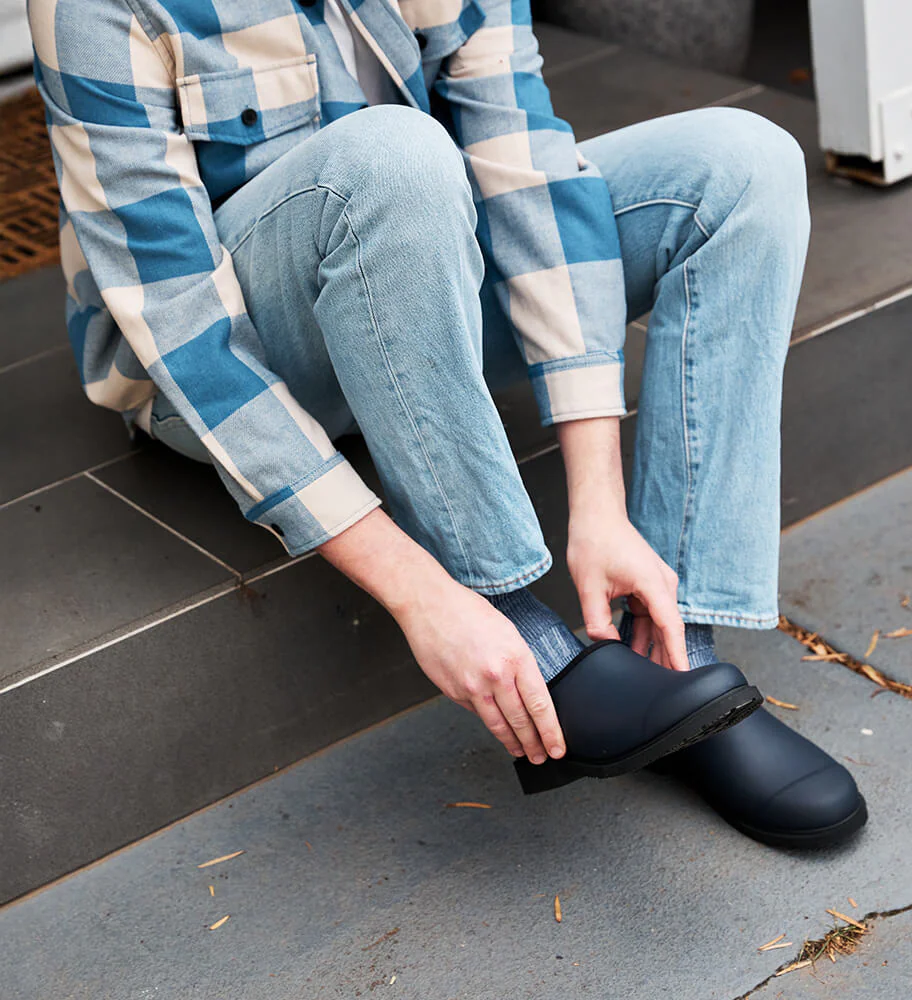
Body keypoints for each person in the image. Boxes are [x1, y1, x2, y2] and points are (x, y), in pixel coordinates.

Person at [31, 0, 866, 843]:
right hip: (230, 359)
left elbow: (525, 169)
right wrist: (424, 593)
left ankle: (677, 666)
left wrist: (599, 500)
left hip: (419, 293)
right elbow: (183, 332)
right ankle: (530, 647)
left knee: (743, 163)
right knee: (392, 155)